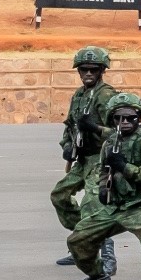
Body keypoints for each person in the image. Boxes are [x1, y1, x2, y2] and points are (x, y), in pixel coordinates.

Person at [63, 91, 141, 280]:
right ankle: (98, 276)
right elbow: (104, 170)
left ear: (139, 118)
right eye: (118, 118)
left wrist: (125, 167)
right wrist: (103, 188)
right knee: (78, 240)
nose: (124, 122)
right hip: (116, 206)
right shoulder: (111, 142)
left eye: (130, 118)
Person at [48, 47, 122, 264]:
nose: (88, 74)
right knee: (59, 196)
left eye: (93, 70)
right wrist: (67, 145)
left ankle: (106, 252)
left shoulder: (106, 95)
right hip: (83, 158)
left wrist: (96, 129)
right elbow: (70, 125)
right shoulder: (79, 95)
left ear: (101, 71)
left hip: (101, 158)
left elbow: (122, 133)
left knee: (92, 203)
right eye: (84, 70)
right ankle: (84, 240)